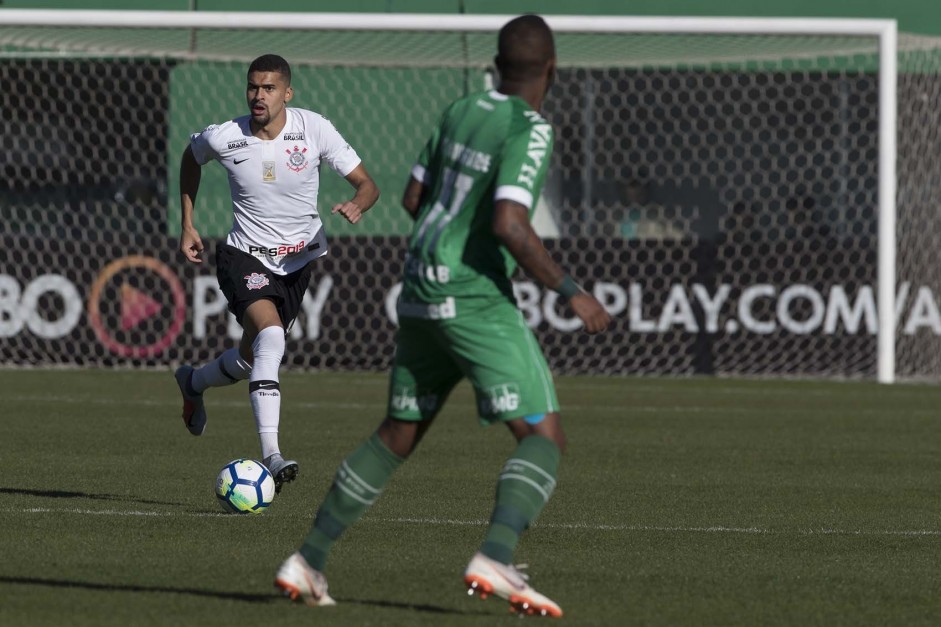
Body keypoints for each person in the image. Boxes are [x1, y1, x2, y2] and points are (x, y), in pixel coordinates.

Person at [273, 15, 610, 617]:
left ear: (496, 64)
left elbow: (411, 198)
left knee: (398, 432)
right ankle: (497, 556)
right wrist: (570, 290)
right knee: (543, 435)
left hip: (418, 288)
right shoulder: (530, 129)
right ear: (551, 71)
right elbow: (511, 222)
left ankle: (308, 561)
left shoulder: (460, 110)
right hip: (472, 295)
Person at [174, 54, 379, 493]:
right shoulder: (225, 136)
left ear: (288, 92)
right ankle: (272, 456)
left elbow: (368, 183)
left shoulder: (314, 128)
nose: (258, 96)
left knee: (251, 357)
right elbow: (190, 159)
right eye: (253, 87)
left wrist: (358, 203)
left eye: (268, 88)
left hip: (297, 263)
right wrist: (188, 223)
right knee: (272, 337)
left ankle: (192, 382)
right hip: (242, 255)